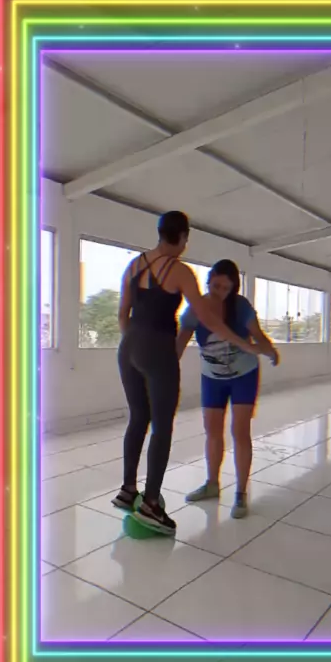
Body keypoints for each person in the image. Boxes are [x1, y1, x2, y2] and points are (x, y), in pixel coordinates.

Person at [111, 213, 264, 536]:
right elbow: (208, 317)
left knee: (138, 418)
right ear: (183, 237)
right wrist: (243, 344)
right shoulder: (179, 271)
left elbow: (122, 313)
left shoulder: (134, 266)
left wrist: (136, 344)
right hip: (158, 349)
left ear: (159, 233)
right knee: (162, 426)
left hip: (128, 348)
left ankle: (128, 490)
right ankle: (151, 505)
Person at [176, 259, 279, 519]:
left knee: (240, 431)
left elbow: (258, 335)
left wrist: (269, 348)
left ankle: (241, 493)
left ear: (233, 288)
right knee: (212, 431)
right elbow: (179, 345)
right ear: (208, 281)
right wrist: (163, 370)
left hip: (244, 375)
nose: (220, 291)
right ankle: (212, 484)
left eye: (226, 288)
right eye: (216, 285)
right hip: (212, 377)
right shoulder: (195, 309)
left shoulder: (240, 306)